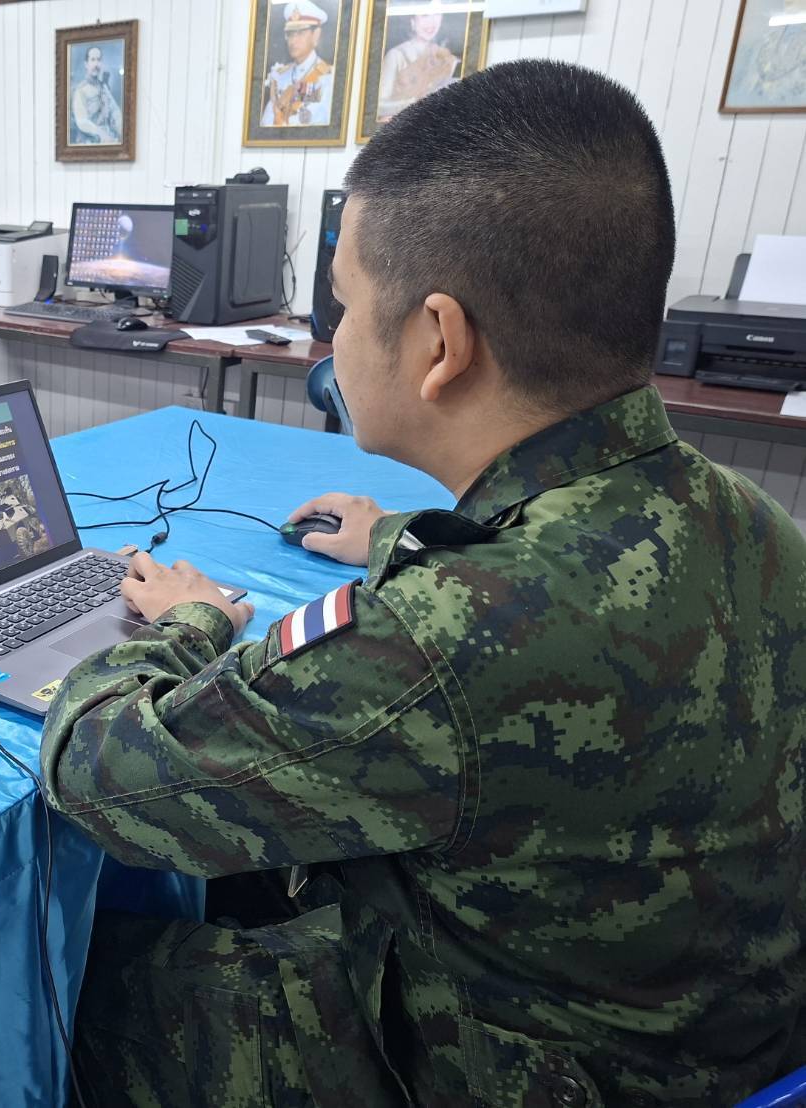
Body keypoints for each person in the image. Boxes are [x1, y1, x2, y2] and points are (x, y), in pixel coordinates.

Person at [41, 59, 806, 1107]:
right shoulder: (749, 518)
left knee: (57, 989)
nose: (333, 339)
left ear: (438, 342)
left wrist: (189, 624)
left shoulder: (437, 637)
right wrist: (397, 534)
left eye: (344, 306)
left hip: (518, 1069)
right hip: (719, 1040)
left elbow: (99, 778)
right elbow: (565, 568)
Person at [260, 1, 334, 128]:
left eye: (300, 33)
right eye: (290, 34)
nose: (293, 41)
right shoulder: (280, 76)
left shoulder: (327, 78)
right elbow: (266, 122)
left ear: (316, 35)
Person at [377, 12, 458, 122]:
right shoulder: (396, 55)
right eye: (425, 15)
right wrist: (416, 101)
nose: (432, 22)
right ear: (412, 21)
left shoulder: (447, 59)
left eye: (436, 15)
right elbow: (380, 107)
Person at [71, 44, 123, 145]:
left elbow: (115, 112)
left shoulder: (104, 88)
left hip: (108, 139)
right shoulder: (80, 91)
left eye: (98, 60)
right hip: (89, 142)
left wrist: (124, 132)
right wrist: (101, 133)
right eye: (93, 60)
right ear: (86, 64)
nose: (96, 64)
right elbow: (82, 121)